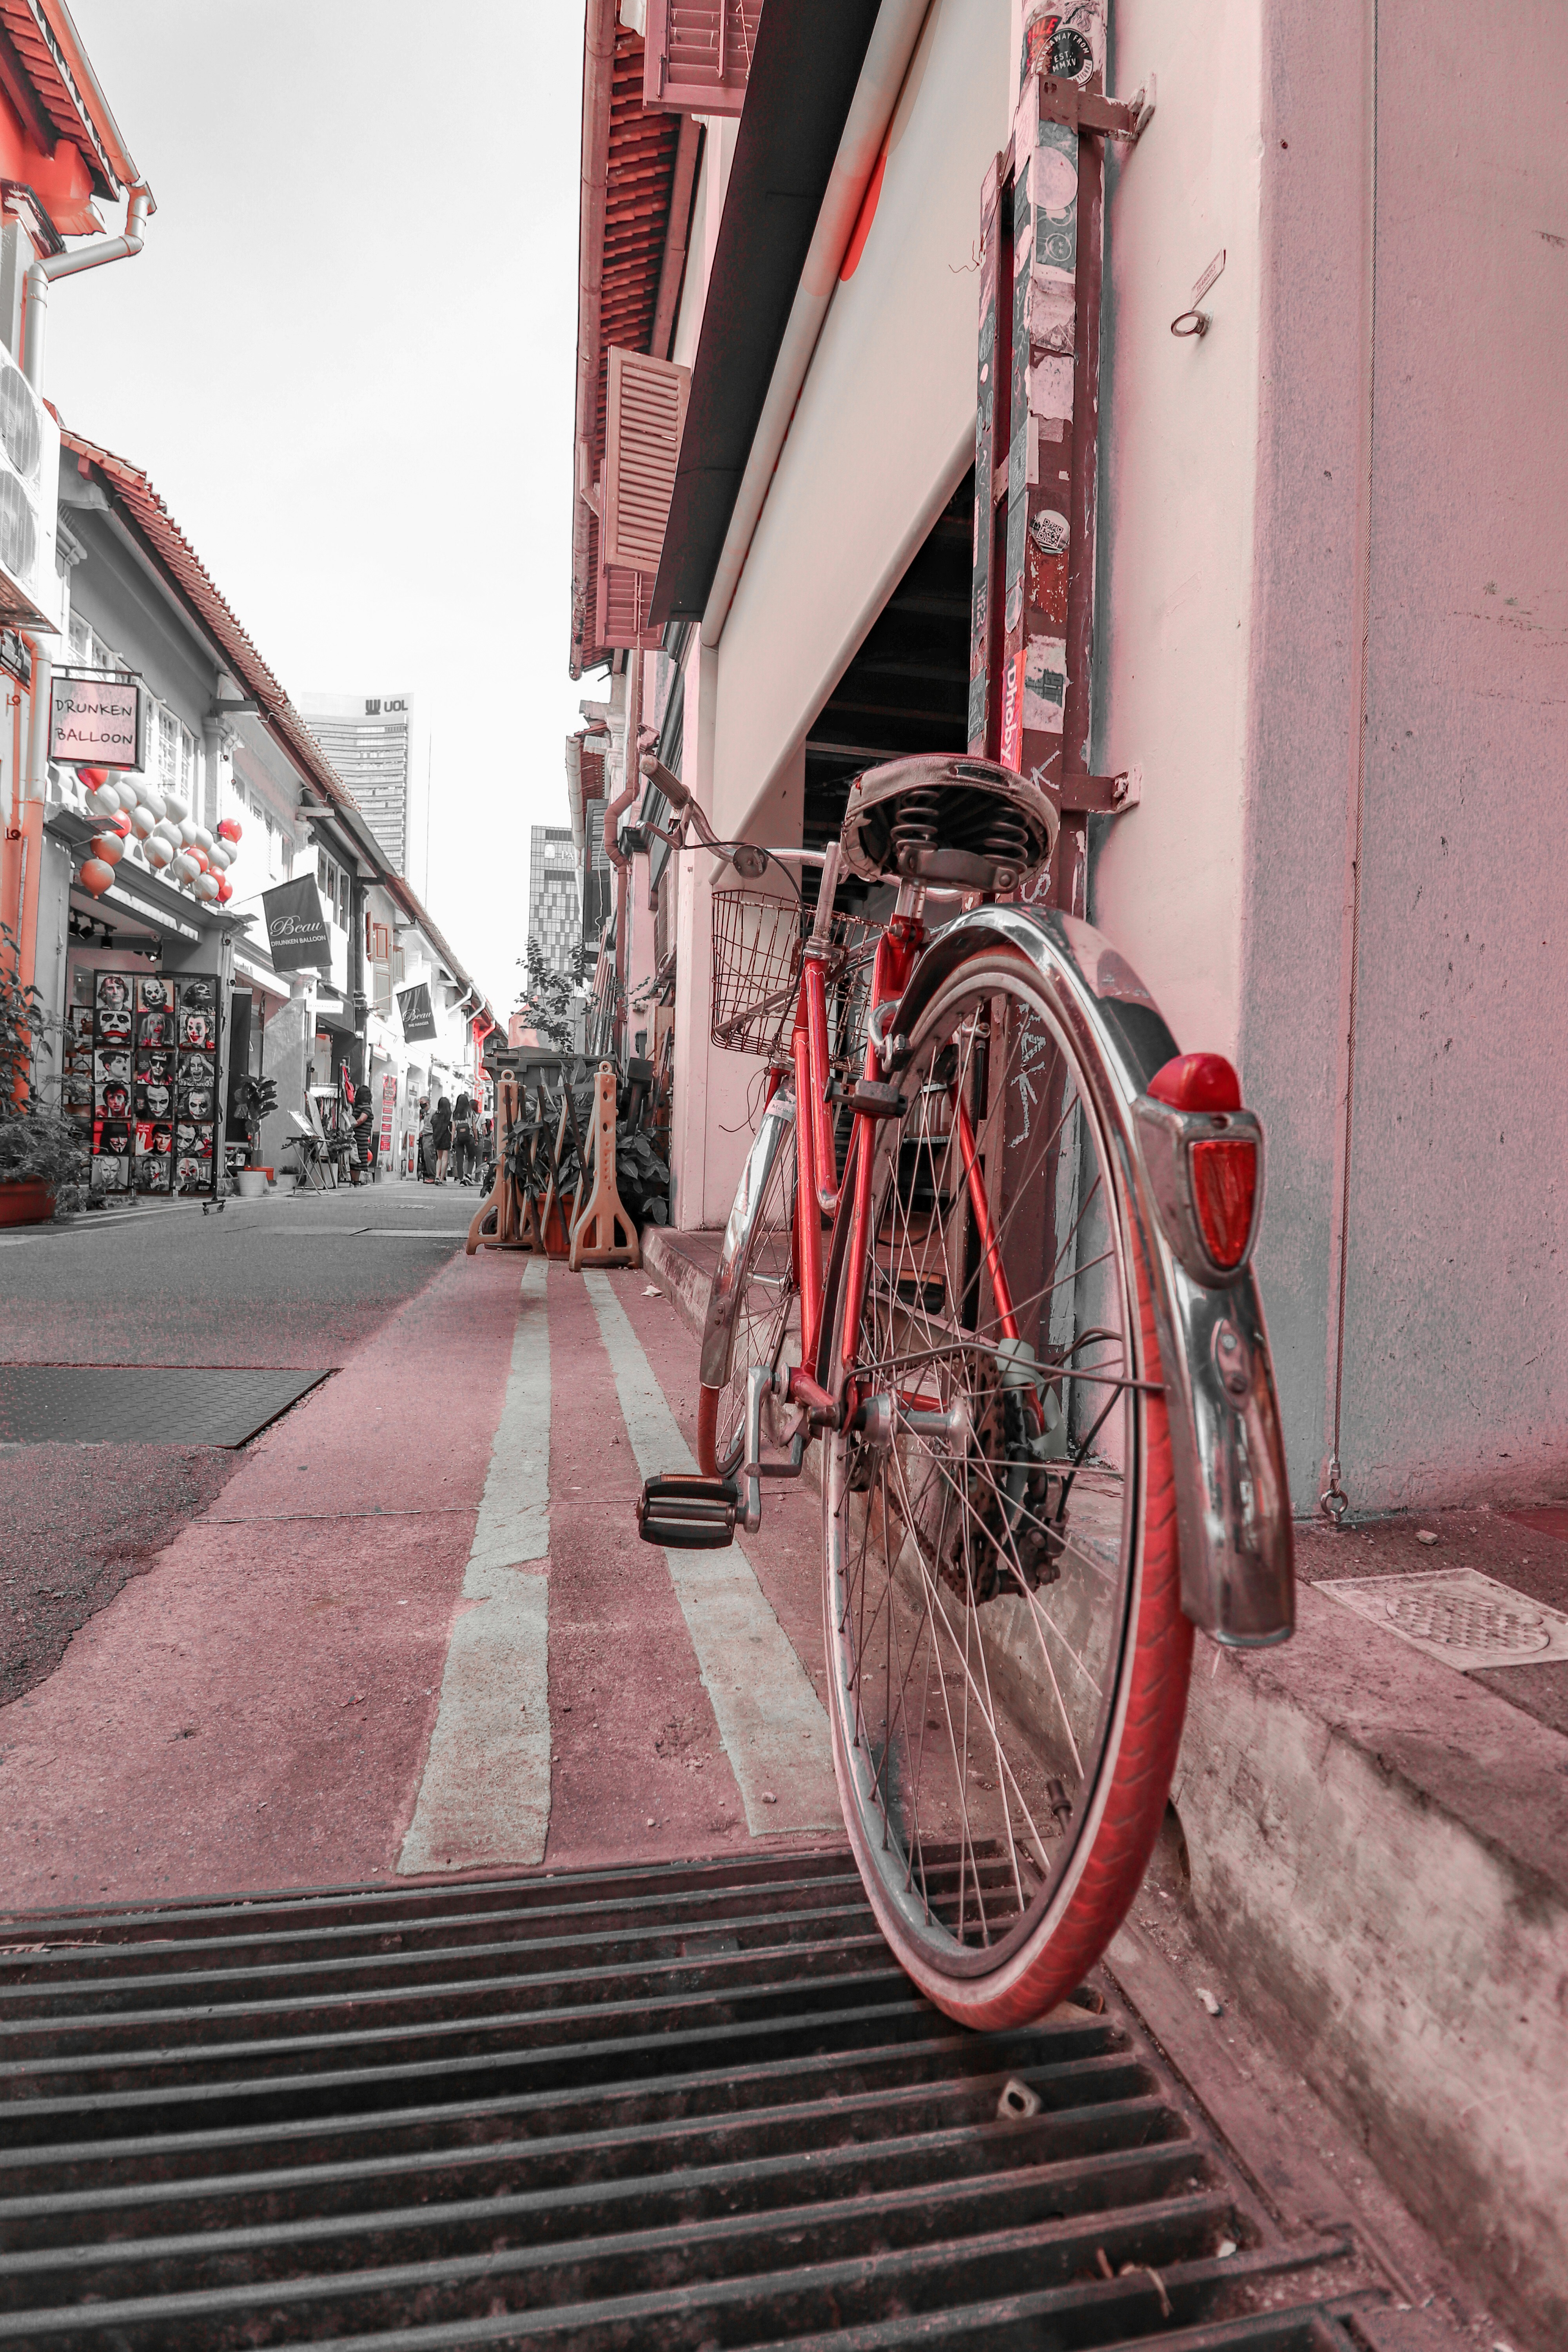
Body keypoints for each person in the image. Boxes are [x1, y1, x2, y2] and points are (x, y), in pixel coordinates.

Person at [452, 1090, 476, 1185]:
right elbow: (474, 1127)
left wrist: (452, 1140)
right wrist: (476, 1138)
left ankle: (461, 1180)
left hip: (458, 1138)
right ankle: (469, 1175)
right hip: (469, 1137)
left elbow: (454, 1128)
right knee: (471, 1157)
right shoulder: (470, 1113)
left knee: (460, 1159)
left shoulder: (455, 1114)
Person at [432, 1093, 453, 1184]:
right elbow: (452, 1128)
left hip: (437, 1138)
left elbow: (432, 1124)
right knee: (445, 1159)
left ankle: (437, 1176)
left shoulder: (435, 1116)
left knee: (439, 1159)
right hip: (446, 1138)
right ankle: (442, 1179)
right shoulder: (450, 1116)